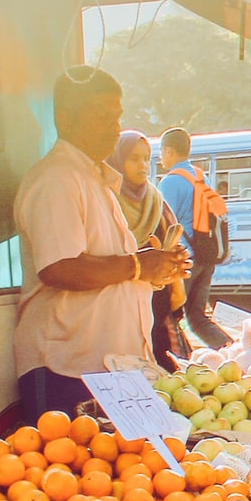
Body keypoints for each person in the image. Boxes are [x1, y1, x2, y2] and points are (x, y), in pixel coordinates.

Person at [13, 69, 186, 420]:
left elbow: (107, 266)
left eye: (117, 117)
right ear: (64, 118)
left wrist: (154, 269)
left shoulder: (93, 177)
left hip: (108, 367)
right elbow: (58, 267)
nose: (113, 126)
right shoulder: (57, 178)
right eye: (101, 116)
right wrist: (138, 265)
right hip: (67, 367)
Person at [108, 129, 188, 371]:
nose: (143, 166)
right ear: (116, 161)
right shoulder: (106, 202)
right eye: (134, 159)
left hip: (158, 311)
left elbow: (173, 245)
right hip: (117, 311)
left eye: (146, 159)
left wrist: (176, 263)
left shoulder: (156, 202)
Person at [158, 129, 231, 349]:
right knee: (198, 318)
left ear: (169, 151)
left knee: (168, 316)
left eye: (161, 152)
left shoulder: (170, 182)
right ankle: (232, 350)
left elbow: (164, 224)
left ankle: (177, 361)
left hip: (185, 261)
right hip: (206, 256)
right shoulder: (201, 176)